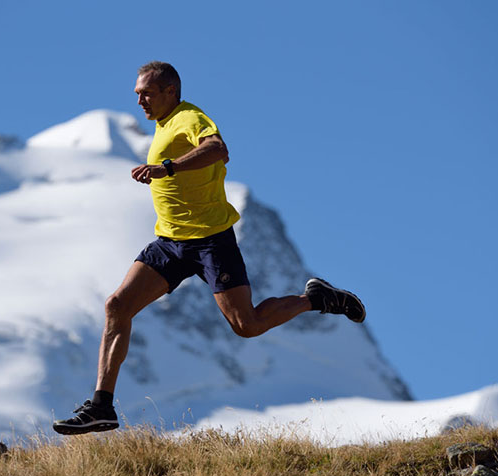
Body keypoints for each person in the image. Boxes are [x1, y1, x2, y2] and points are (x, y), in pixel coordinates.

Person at [52, 61, 365, 435]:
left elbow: (218, 148)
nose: (139, 100)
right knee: (117, 306)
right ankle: (100, 407)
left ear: (171, 91)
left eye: (146, 93)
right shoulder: (163, 124)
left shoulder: (188, 117)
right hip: (170, 243)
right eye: (136, 93)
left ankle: (316, 299)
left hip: (211, 241)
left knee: (246, 326)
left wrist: (166, 168)